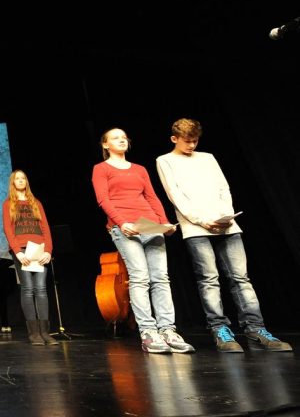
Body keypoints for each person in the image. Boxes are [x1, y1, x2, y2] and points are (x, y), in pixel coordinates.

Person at [156, 118, 292, 352]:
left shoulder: (207, 158)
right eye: (187, 141)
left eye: (195, 141)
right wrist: (202, 220)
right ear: (174, 139)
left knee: (241, 278)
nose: (191, 146)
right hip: (196, 227)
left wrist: (226, 215)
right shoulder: (165, 161)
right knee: (209, 279)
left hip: (226, 225)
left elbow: (223, 187)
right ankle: (220, 329)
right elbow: (175, 195)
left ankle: (255, 328)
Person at [91, 128, 194, 354]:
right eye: (115, 138)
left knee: (161, 278)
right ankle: (148, 331)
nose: (122, 140)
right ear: (106, 145)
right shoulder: (101, 168)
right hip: (125, 226)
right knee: (139, 277)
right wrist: (120, 222)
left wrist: (164, 223)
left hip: (150, 224)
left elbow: (151, 197)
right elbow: (103, 199)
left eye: (124, 137)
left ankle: (167, 329)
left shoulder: (139, 169)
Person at [2, 169, 58, 346]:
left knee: (41, 289)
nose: (20, 181)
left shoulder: (36, 203)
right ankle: (34, 333)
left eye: (23, 178)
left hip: (40, 248)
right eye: (17, 179)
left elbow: (46, 228)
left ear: (26, 182)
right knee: (28, 289)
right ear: (13, 183)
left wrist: (48, 250)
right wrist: (17, 251)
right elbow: (8, 229)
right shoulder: (8, 204)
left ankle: (45, 332)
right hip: (22, 250)